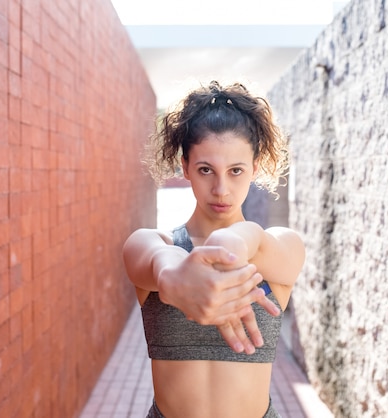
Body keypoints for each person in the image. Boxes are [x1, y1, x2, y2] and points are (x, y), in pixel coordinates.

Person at [122, 80, 305, 418]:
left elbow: (257, 241)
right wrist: (173, 275)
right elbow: (154, 258)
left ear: (255, 168)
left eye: (236, 171)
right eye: (206, 170)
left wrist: (233, 242)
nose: (221, 189)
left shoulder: (282, 246)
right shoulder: (153, 244)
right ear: (186, 166)